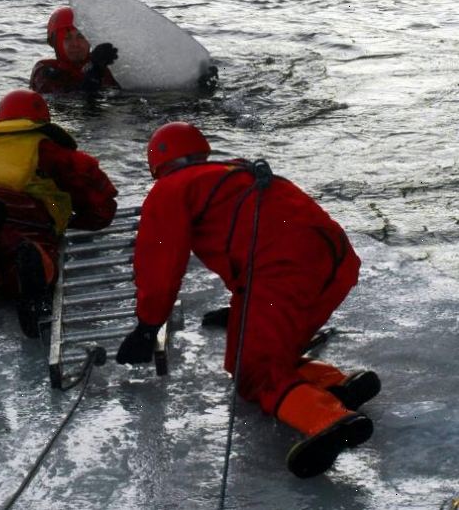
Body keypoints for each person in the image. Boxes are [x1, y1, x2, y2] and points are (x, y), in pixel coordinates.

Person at [115, 121, 380, 478]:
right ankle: (335, 382)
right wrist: (242, 310)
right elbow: (258, 231)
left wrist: (148, 326)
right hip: (336, 262)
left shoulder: (170, 189)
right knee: (252, 350)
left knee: (255, 373)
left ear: (157, 166)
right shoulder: (236, 172)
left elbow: (159, 261)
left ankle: (329, 419)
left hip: (281, 271)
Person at [0, 88, 118, 338]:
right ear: (42, 120)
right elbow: (92, 187)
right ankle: (30, 255)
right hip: (21, 208)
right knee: (26, 257)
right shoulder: (44, 145)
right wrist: (87, 218)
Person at [29, 6, 119, 94]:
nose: (75, 44)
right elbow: (64, 98)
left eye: (81, 36)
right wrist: (93, 76)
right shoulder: (44, 70)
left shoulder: (102, 64)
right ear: (54, 42)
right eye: (67, 38)